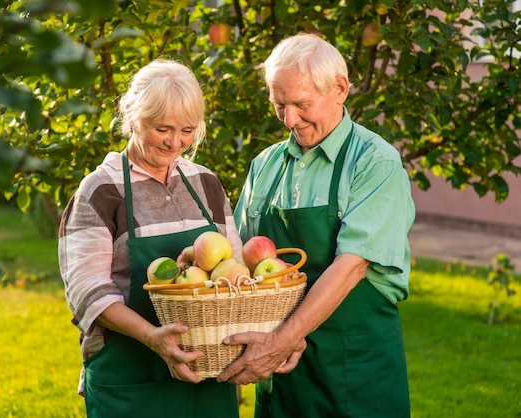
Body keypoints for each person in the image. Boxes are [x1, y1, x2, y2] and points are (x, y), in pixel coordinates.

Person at [218, 33, 415, 418]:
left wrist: (281, 341)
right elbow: (240, 262)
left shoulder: (375, 163)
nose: (290, 119)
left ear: (340, 89)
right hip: (279, 371)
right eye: (280, 105)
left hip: (354, 369)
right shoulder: (266, 165)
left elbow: (352, 267)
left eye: (302, 104)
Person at [58, 59, 242, 418]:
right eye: (163, 129)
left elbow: (233, 269)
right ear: (134, 117)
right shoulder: (101, 190)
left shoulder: (206, 184)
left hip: (205, 375)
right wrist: (153, 338)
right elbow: (87, 293)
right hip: (131, 379)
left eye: (187, 130)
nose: (176, 142)